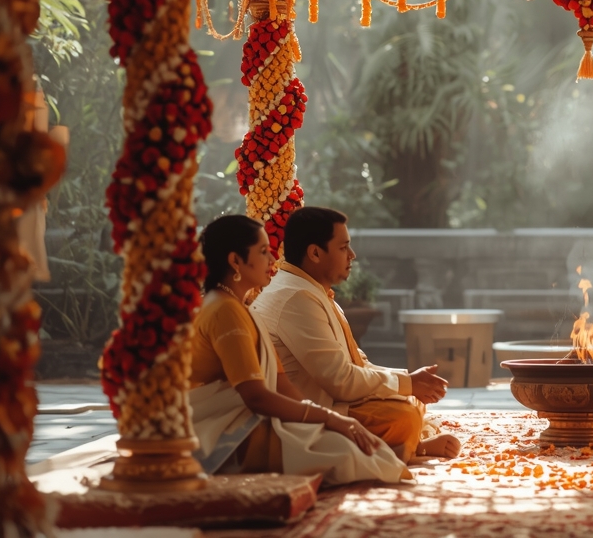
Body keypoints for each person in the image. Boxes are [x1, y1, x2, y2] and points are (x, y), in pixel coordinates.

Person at [187, 214, 410, 485]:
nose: (273, 260)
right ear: (236, 261)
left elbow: (282, 386)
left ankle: (391, 453)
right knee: (345, 453)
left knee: (343, 440)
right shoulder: (224, 310)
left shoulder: (239, 307)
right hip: (226, 431)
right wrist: (329, 418)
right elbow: (256, 398)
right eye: (262, 251)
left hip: (252, 418)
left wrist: (323, 420)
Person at [251, 206, 461, 461]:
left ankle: (408, 445)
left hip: (335, 400)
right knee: (403, 417)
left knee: (410, 400)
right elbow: (340, 381)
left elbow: (358, 364)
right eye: (343, 248)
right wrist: (407, 384)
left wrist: (409, 380)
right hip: (311, 413)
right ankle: (413, 448)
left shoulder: (310, 290)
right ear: (315, 253)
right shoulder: (296, 298)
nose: (352, 255)